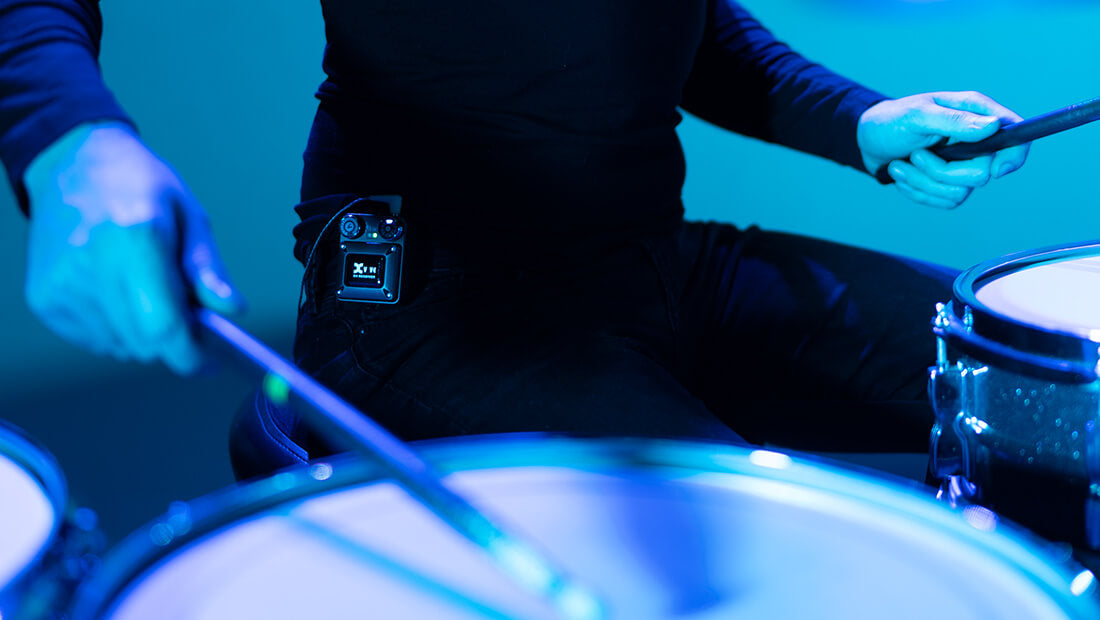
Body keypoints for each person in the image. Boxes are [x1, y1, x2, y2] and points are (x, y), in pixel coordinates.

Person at [0, 1, 1028, 472]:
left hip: (645, 259)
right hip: (423, 303)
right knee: (765, 574)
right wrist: (66, 143)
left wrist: (854, 121)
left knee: (1047, 386)